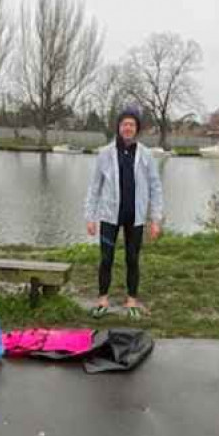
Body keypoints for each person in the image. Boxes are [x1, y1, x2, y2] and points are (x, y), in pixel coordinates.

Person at [84, 106, 163, 319]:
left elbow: (155, 187)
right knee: (106, 258)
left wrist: (155, 219)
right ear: (118, 127)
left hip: (135, 217)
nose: (127, 128)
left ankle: (131, 300)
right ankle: (102, 299)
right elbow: (94, 187)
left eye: (132, 124)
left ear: (136, 128)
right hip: (109, 216)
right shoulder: (105, 154)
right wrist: (90, 217)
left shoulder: (146, 155)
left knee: (132, 259)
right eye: (124, 124)